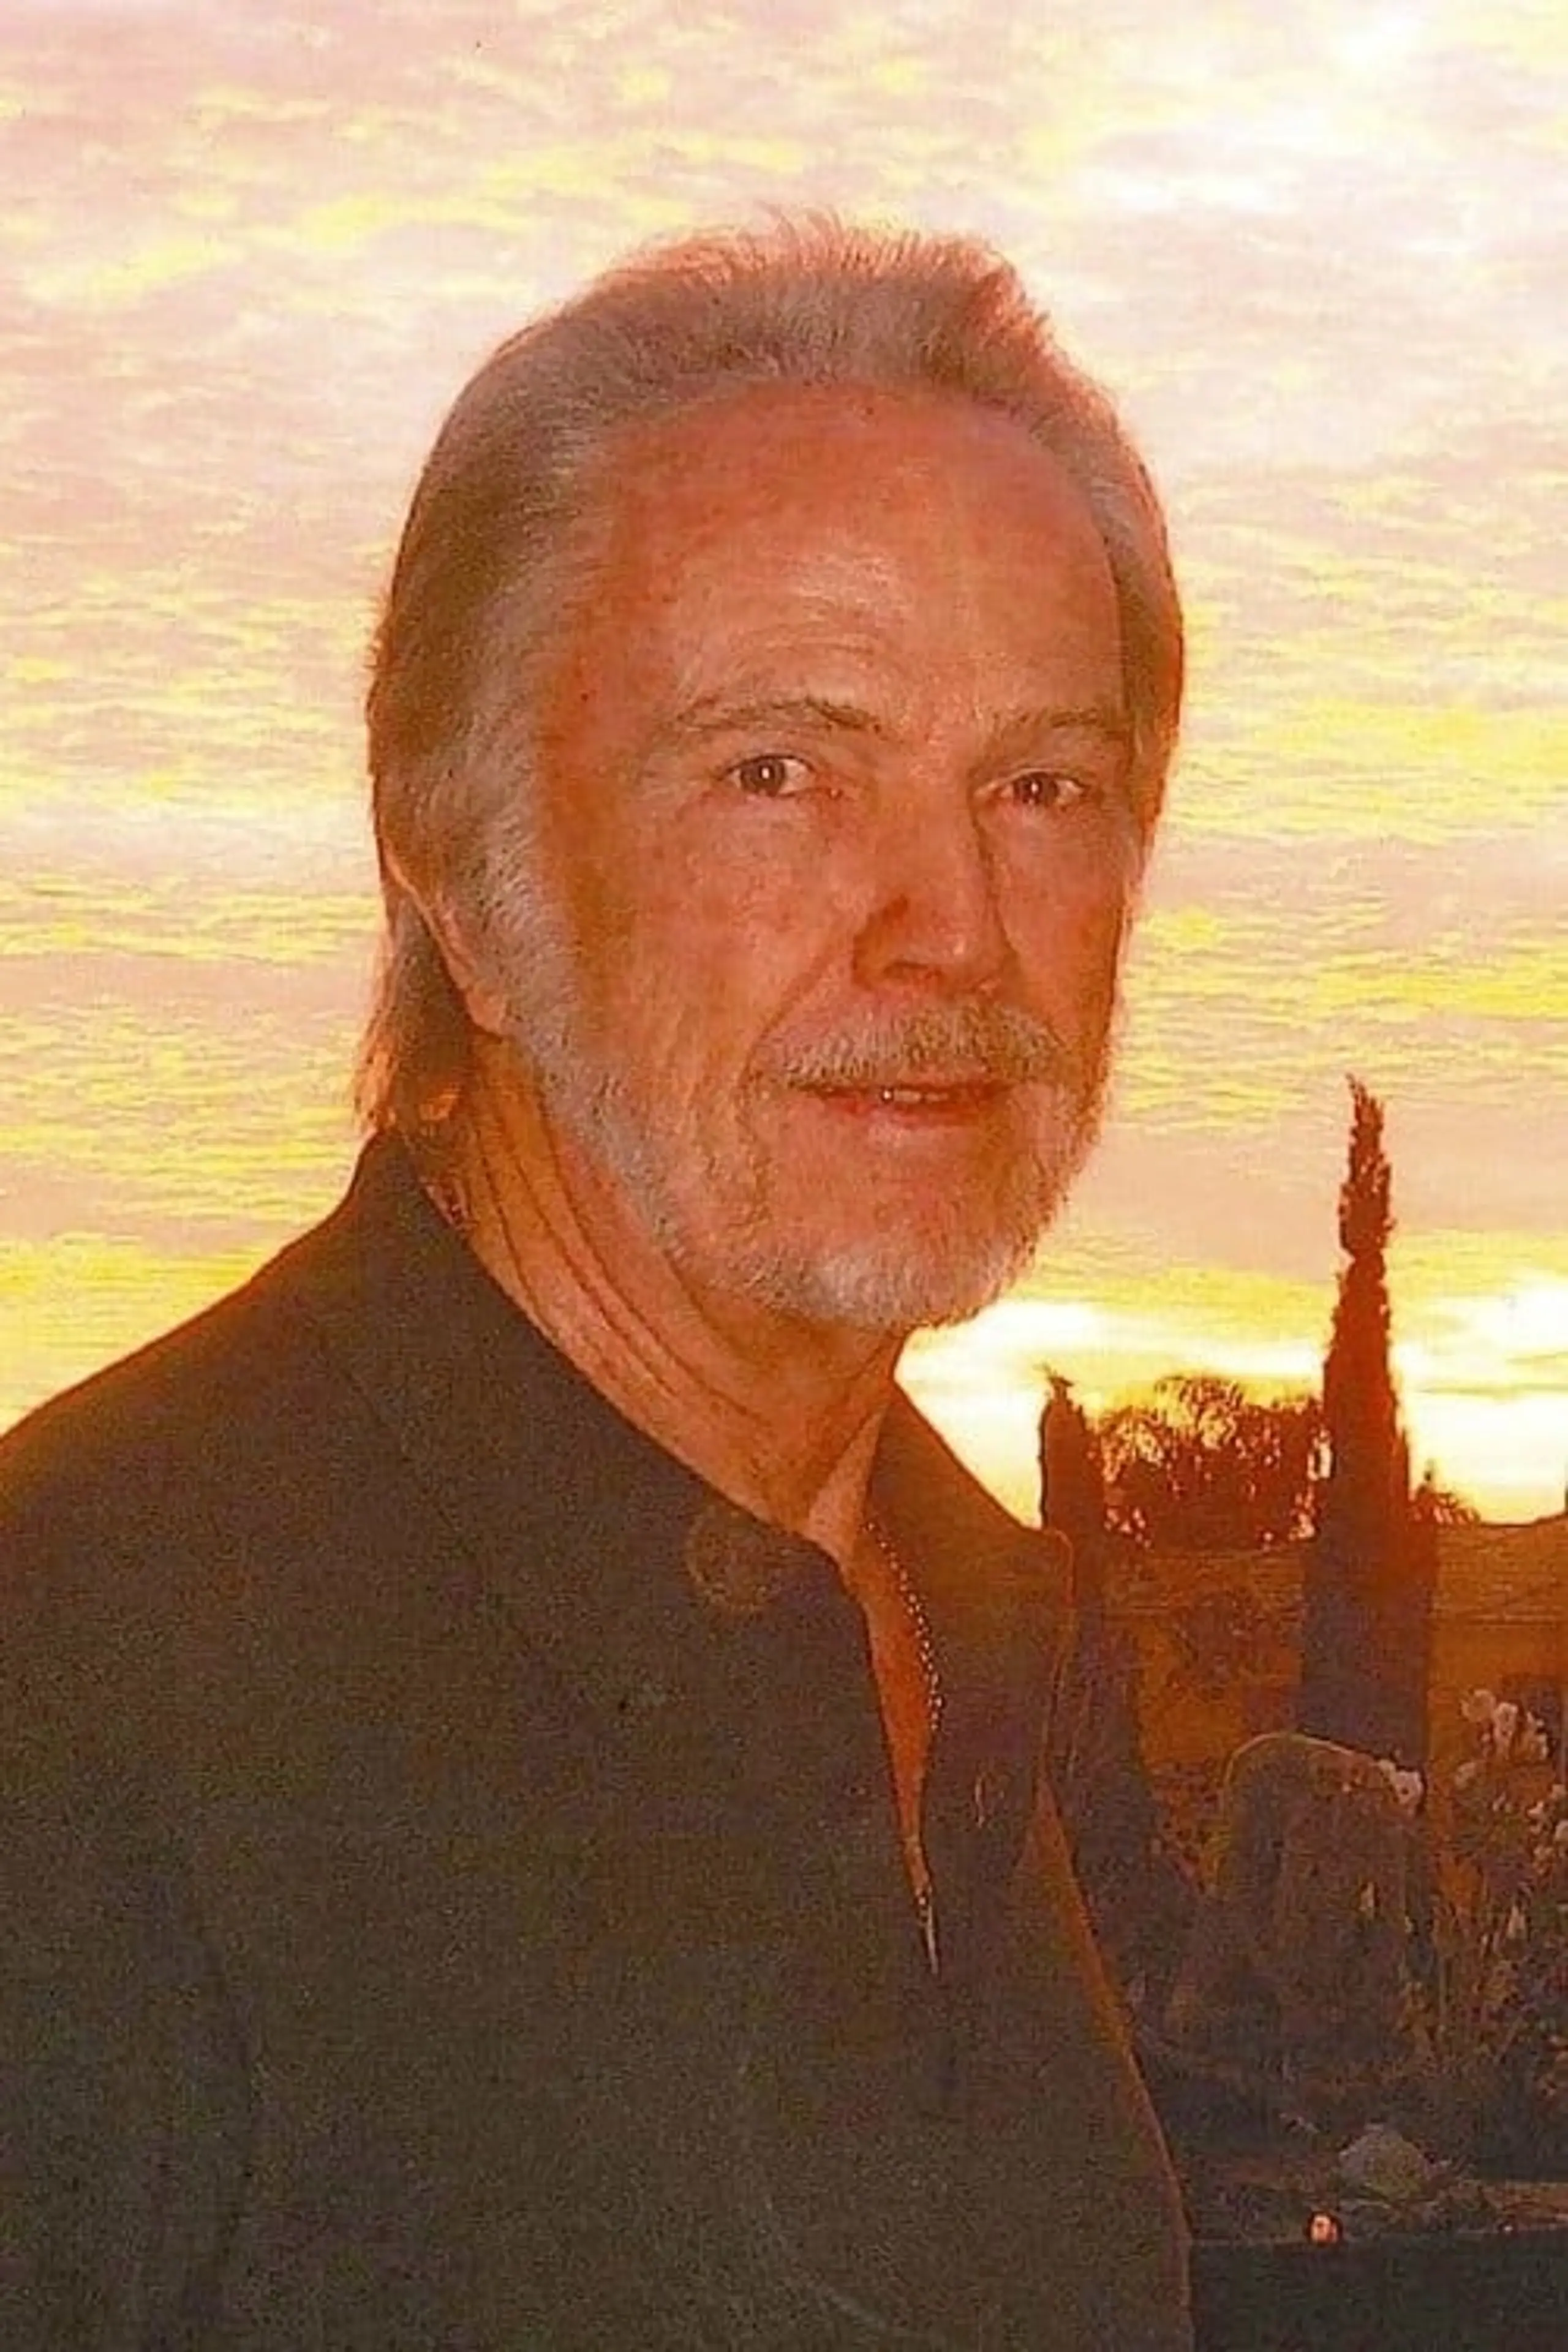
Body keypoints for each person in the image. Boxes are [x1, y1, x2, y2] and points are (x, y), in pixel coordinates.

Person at [0, 219, 1192, 2348]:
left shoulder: (986, 1648)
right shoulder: (78, 1694)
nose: (952, 925)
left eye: (1042, 786)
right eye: (778, 772)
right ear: (463, 875)